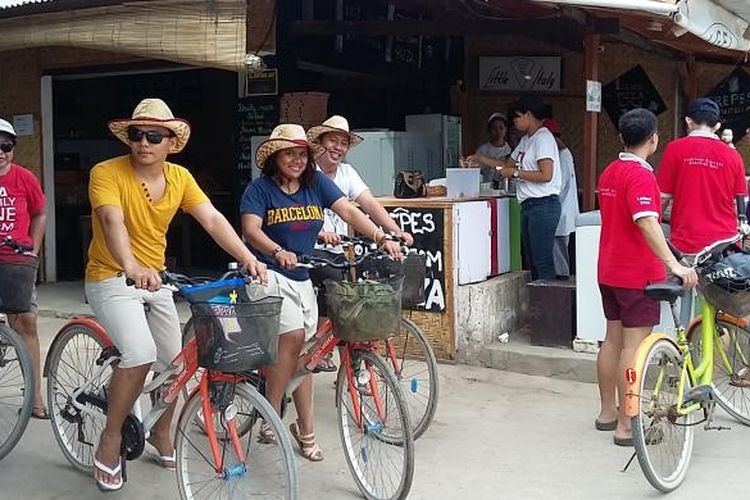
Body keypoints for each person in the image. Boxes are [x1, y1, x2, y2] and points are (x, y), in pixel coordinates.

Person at [85, 98, 266, 492]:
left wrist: (248, 258)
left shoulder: (180, 177)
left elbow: (213, 219)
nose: (144, 143)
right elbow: (112, 220)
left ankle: (160, 432)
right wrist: (131, 266)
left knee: (176, 364)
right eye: (137, 134)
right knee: (139, 354)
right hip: (112, 276)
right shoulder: (106, 172)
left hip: (159, 280)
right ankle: (110, 439)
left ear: (171, 142)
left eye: (154, 135)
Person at [240, 123, 401, 462]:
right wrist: (275, 250)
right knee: (293, 336)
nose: (297, 160)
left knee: (308, 354)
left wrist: (381, 237)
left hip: (302, 274)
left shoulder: (316, 184)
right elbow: (251, 230)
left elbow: (349, 210)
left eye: (302, 153)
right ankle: (272, 410)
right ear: (275, 157)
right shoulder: (259, 189)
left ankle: (305, 428)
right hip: (267, 273)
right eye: (289, 153)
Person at [595, 108, 697, 447]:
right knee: (633, 347)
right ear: (654, 139)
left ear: (622, 137)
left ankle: (607, 413)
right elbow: (646, 222)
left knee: (611, 340)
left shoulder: (611, 170)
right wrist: (675, 265)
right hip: (636, 275)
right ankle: (627, 425)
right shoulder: (641, 177)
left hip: (608, 270)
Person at [307, 115, 413, 371]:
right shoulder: (309, 173)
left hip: (339, 250)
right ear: (320, 142)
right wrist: (320, 234)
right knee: (335, 296)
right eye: (333, 140)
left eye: (343, 143)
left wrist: (394, 230)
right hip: (310, 251)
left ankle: (354, 370)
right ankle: (319, 350)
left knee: (351, 303)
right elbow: (302, 212)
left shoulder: (347, 172)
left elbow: (368, 204)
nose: (338, 148)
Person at [469, 95, 561, 280]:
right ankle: (538, 301)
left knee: (542, 260)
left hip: (543, 204)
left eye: (516, 118)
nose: (515, 123)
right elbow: (506, 163)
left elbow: (546, 174)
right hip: (529, 205)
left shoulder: (542, 138)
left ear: (528, 114)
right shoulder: (526, 140)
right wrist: (479, 159)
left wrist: (515, 174)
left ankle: (549, 304)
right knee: (532, 260)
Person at [0, 118, 48, 420]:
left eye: (6, 146)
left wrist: (35, 247)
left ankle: (35, 397)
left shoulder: (24, 178)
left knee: (26, 323)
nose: (1, 152)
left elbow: (40, 213)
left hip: (17, 260)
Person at [658, 98, 747, 255]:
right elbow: (737, 204)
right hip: (724, 244)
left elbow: (662, 199)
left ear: (688, 121)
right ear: (718, 126)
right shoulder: (734, 156)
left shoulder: (675, 149)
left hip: (685, 244)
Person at [543, 118, 579, 280]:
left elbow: (559, 185)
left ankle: (561, 291)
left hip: (561, 212)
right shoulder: (563, 154)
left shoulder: (562, 155)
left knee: (559, 257)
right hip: (563, 213)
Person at [471, 112, 512, 183]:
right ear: (489, 130)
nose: (498, 132)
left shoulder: (511, 150)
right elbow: (475, 171)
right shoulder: (482, 150)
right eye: (494, 129)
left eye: (501, 128)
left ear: (506, 129)